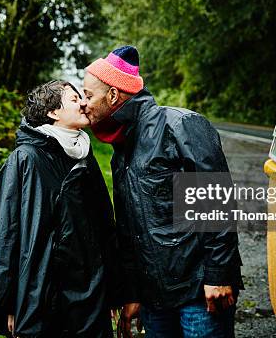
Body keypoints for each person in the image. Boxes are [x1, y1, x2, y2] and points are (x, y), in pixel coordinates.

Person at [82, 46, 243, 338]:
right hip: (154, 301)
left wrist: (218, 276)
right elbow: (129, 231)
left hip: (198, 294)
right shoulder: (121, 151)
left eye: (89, 95)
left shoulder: (180, 126)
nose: (84, 104)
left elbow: (216, 204)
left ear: (114, 96)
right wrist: (132, 293)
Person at [0, 80, 116, 337]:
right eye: (74, 100)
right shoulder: (26, 158)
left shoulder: (85, 156)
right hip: (40, 294)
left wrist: (112, 294)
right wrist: (9, 303)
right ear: (53, 112)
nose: (84, 104)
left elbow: (104, 225)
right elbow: (7, 234)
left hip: (89, 294)